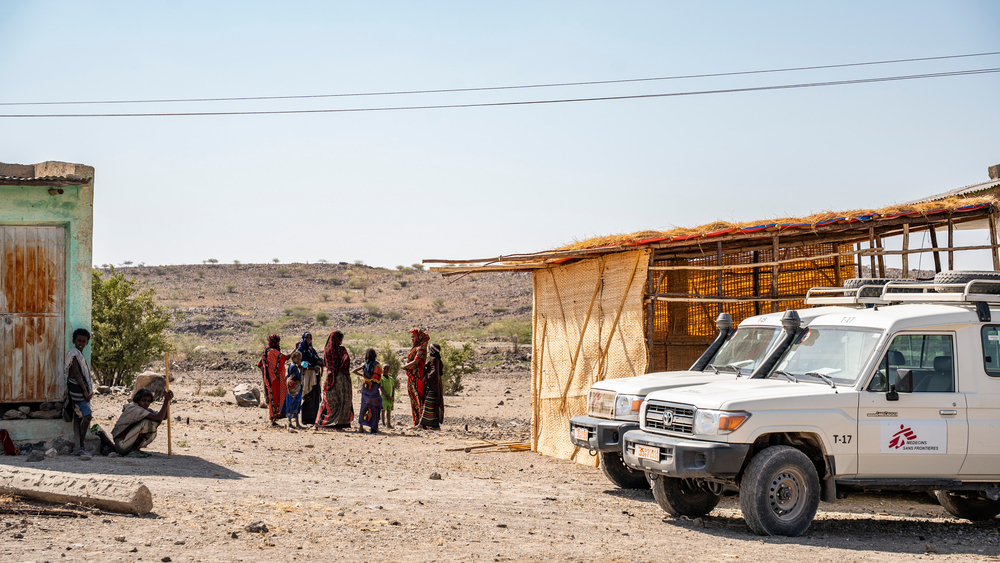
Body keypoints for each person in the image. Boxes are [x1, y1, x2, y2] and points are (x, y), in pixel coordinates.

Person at [101, 388, 174, 457]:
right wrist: (166, 401)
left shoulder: (144, 410)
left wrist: (168, 401)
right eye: (144, 400)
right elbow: (158, 418)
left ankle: (135, 449)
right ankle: (134, 450)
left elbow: (163, 417)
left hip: (127, 443)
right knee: (146, 423)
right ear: (137, 401)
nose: (146, 403)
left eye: (148, 401)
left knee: (149, 422)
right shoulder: (135, 409)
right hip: (121, 445)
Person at [64, 328, 95, 456]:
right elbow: (77, 374)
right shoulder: (74, 355)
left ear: (87, 342)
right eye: (79, 341)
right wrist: (85, 391)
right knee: (87, 416)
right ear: (74, 341)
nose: (81, 343)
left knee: (78, 417)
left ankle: (78, 447)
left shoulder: (79, 355)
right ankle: (81, 443)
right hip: (77, 391)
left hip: (77, 390)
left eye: (83, 341)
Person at [316, 330, 353, 429]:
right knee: (343, 398)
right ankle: (341, 421)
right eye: (341, 339)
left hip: (330, 377)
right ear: (339, 340)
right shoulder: (341, 350)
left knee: (330, 399)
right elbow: (346, 359)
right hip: (341, 378)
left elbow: (324, 362)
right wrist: (340, 368)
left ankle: (325, 421)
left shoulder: (327, 350)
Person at [257, 334, 288, 425]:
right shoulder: (273, 351)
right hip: (275, 379)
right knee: (277, 396)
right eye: (278, 341)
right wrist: (295, 349)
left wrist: (266, 373)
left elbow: (260, 364)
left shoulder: (265, 351)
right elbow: (285, 358)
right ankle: (274, 418)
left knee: (271, 397)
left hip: (268, 379)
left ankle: (273, 418)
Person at [401, 328, 429, 426]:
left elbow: (416, 362)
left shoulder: (422, 347)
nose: (412, 339)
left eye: (413, 336)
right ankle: (416, 422)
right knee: (413, 399)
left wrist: (404, 366)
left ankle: (422, 423)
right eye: (411, 337)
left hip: (417, 377)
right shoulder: (416, 347)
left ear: (419, 337)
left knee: (419, 399)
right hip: (412, 376)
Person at [296, 332, 324, 425]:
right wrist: (312, 368)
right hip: (307, 375)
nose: (308, 339)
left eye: (310, 338)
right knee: (307, 396)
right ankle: (305, 420)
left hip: (315, 375)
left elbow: (316, 358)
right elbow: (301, 364)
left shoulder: (311, 349)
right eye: (307, 338)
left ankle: (314, 419)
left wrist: (320, 362)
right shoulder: (301, 349)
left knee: (315, 396)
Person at [352, 349, 382, 434]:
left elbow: (354, 371)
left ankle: (361, 427)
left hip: (365, 388)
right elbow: (378, 378)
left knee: (364, 406)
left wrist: (363, 375)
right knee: (376, 405)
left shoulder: (364, 365)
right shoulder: (377, 366)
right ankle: (373, 428)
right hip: (373, 388)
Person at [417, 343, 445, 430]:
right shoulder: (437, 360)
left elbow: (434, 372)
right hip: (436, 386)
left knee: (428, 404)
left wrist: (426, 377)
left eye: (430, 349)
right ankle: (434, 425)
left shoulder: (433, 359)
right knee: (432, 406)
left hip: (433, 387)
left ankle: (423, 425)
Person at [285, 350, 304, 429]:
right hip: (295, 389)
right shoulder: (294, 367)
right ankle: (296, 423)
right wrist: (302, 369)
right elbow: (299, 377)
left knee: (291, 404)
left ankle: (291, 422)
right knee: (296, 404)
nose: (299, 361)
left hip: (291, 389)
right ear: (293, 358)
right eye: (298, 359)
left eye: (300, 359)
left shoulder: (291, 365)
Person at [380, 362, 395, 429]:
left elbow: (393, 387)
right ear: (381, 369)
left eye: (387, 369)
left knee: (389, 411)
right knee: (383, 410)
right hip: (384, 397)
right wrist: (387, 396)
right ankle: (383, 424)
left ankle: (388, 423)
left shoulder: (391, 379)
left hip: (390, 398)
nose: (385, 370)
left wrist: (392, 396)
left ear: (389, 370)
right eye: (384, 368)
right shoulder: (381, 378)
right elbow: (381, 388)